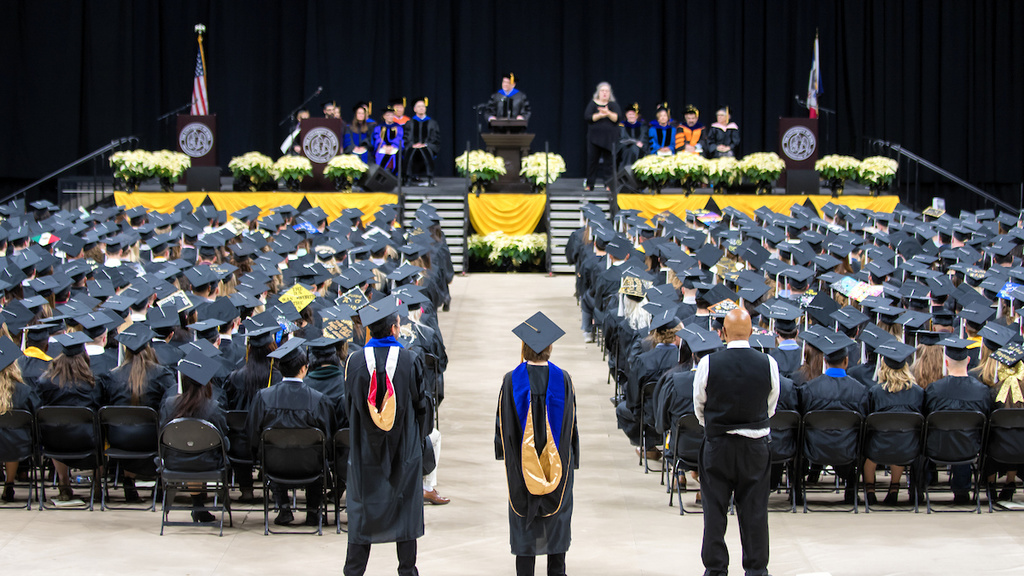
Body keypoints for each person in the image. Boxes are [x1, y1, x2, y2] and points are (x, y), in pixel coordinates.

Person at [343, 296, 428, 576]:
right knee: (404, 509)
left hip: (365, 451)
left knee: (363, 509)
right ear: (394, 328)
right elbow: (421, 406)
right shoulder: (409, 359)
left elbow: (349, 408)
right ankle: (407, 570)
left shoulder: (354, 362)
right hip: (404, 451)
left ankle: (354, 571)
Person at [693, 308, 778, 576]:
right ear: (752, 333)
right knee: (755, 512)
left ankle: (716, 569)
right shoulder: (768, 363)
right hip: (755, 448)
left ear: (722, 333)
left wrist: (717, 424)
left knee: (714, 512)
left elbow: (699, 405)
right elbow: (770, 406)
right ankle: (756, 570)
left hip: (718, 446)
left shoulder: (708, 363)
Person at [496, 312, 578, 576]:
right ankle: (557, 570)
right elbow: (571, 424)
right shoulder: (564, 379)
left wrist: (503, 453)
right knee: (556, 519)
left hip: (522, 468)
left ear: (524, 347)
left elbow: (503, 423)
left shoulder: (511, 380)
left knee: (524, 522)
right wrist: (571, 457)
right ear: (550, 347)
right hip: (558, 466)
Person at [247, 337, 336, 527]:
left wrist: (258, 457)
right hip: (310, 467)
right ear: (304, 368)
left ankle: (284, 508)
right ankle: (313, 511)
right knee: (315, 453)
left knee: (275, 449)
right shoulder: (318, 400)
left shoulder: (263, 397)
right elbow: (328, 441)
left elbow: (253, 435)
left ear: (279, 368)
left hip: (274, 467)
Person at [159, 350, 229, 523]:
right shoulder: (214, 407)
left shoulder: (169, 404)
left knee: (188, 449)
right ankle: (199, 506)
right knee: (201, 451)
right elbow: (223, 439)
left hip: (174, 463)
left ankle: (197, 505)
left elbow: (162, 435)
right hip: (208, 463)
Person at [925, 337, 994, 504]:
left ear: (946, 363)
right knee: (965, 435)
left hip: (938, 447)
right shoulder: (982, 391)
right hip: (970, 450)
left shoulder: (934, 389)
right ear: (968, 361)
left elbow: (926, 419)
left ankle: (921, 486)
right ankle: (962, 491)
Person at [35, 331, 102, 502]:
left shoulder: (45, 382)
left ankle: (64, 484)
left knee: (56, 428)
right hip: (86, 440)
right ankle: (97, 483)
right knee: (100, 425)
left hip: (53, 443)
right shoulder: (93, 382)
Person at [862, 341, 924, 505]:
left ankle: (870, 490)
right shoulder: (918, 392)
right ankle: (894, 488)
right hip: (908, 449)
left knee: (870, 449)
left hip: (877, 449)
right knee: (901, 437)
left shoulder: (876, 391)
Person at [0, 335, 39, 503]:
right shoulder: (24, 390)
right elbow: (36, 416)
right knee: (12, 437)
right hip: (18, 447)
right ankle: (9, 483)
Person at [583, 82, 622, 192]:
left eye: (607, 91)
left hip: (609, 139)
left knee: (609, 163)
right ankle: (590, 184)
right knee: (592, 162)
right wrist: (600, 115)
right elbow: (587, 117)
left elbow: (617, 118)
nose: (605, 93)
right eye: (602, 91)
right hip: (594, 139)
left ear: (610, 93)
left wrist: (608, 113)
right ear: (598, 92)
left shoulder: (613, 104)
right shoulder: (593, 103)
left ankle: (608, 184)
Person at [403, 97, 440, 187]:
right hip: (413, 146)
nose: (421, 108)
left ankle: (430, 178)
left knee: (426, 152)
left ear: (425, 108)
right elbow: (406, 137)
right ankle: (407, 178)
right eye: (419, 106)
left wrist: (425, 144)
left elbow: (435, 138)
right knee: (410, 152)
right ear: (414, 109)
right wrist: (413, 144)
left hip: (427, 146)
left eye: (423, 106)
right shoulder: (410, 122)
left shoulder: (432, 123)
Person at [373, 106, 404, 174]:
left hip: (394, 148)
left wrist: (392, 146)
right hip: (383, 148)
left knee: (396, 154)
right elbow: (377, 137)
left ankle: (393, 175)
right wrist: (384, 146)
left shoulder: (398, 127)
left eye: (392, 115)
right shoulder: (379, 127)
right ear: (384, 116)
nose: (390, 116)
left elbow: (399, 138)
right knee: (380, 154)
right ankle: (380, 173)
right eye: (388, 115)